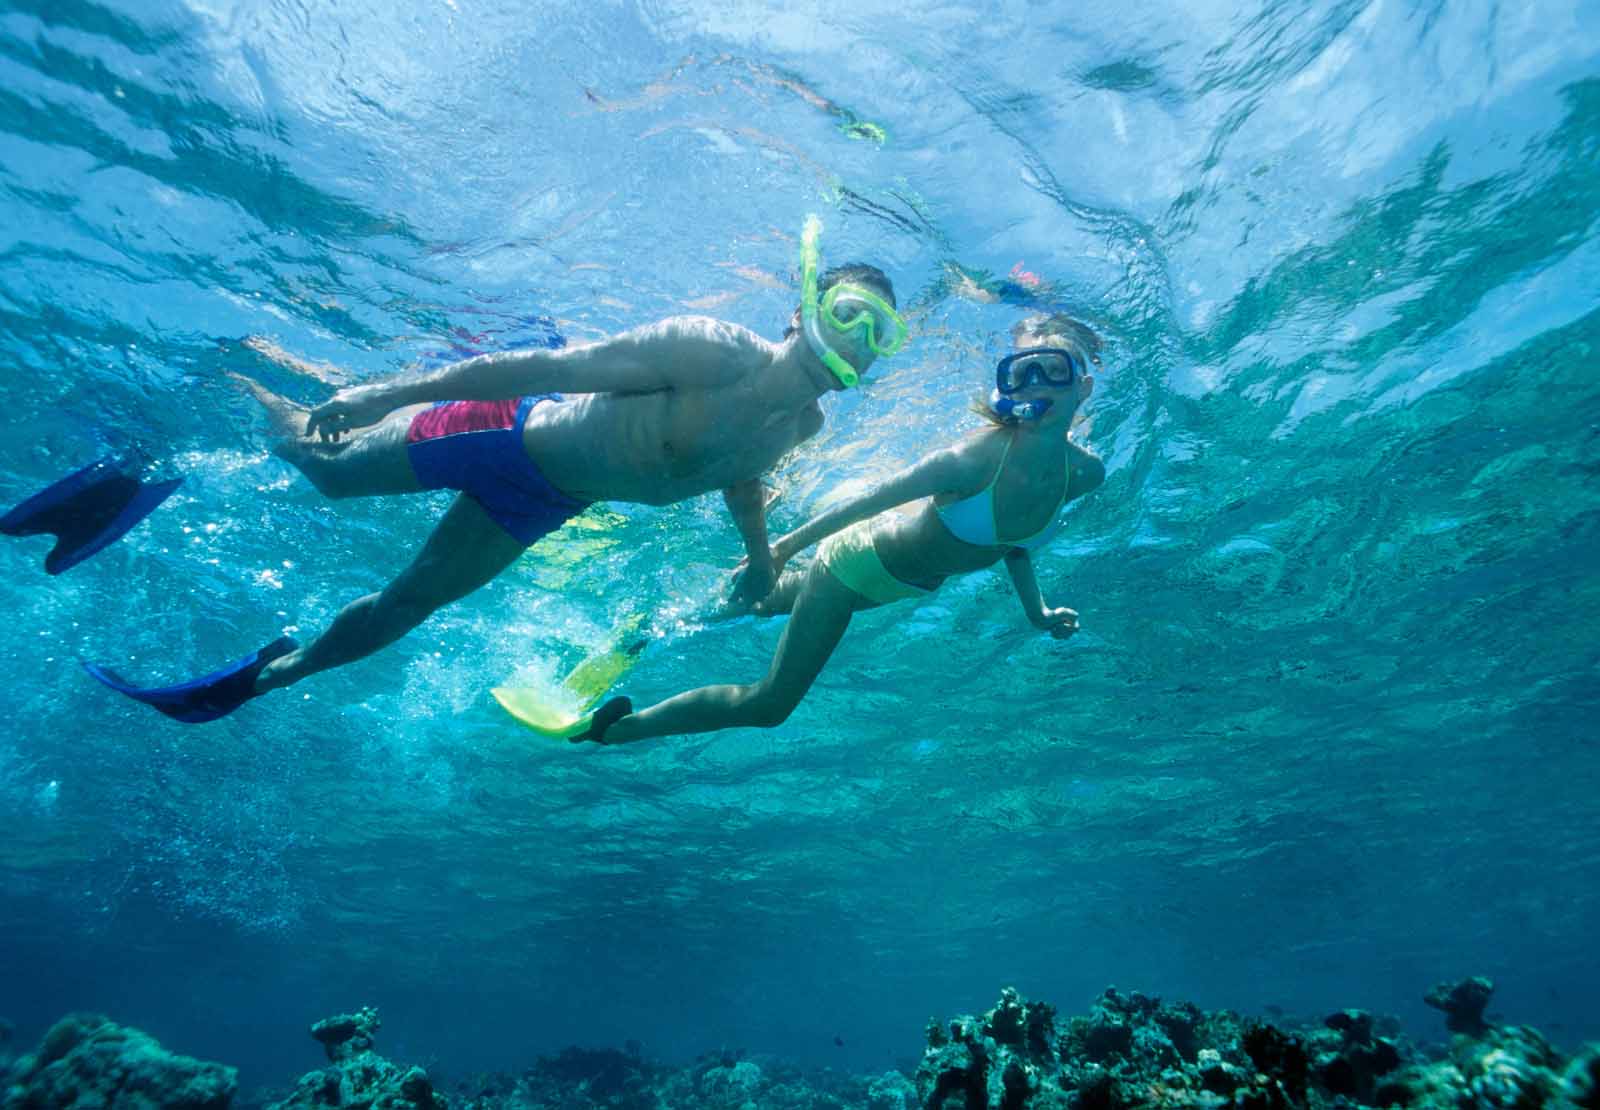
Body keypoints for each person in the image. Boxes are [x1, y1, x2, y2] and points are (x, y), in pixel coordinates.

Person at [83, 218, 908, 723]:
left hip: (546, 500)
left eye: (881, 337)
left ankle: (271, 677)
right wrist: (384, 395)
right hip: (503, 434)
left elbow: (740, 483)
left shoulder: (801, 425)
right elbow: (533, 368)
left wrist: (762, 562)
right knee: (321, 469)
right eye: (849, 317)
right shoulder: (711, 350)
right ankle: (240, 375)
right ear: (802, 307)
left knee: (408, 606)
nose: (858, 345)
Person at [580, 313, 1106, 745]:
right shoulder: (974, 459)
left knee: (751, 604)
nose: (1035, 384)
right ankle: (617, 730)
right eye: (1022, 373)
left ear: (1082, 386)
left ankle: (648, 627)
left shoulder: (1082, 474)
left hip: (893, 585)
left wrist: (1036, 612)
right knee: (770, 706)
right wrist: (780, 549)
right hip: (851, 568)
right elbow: (869, 500)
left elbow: (1013, 544)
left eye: (1051, 371)